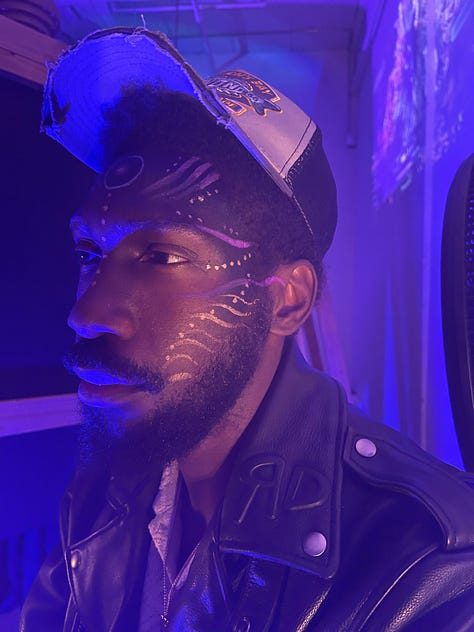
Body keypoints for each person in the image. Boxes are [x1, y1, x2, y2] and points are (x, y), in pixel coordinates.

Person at [21, 27, 474, 631]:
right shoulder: (106, 483)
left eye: (161, 256)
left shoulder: (428, 568)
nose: (86, 313)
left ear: (287, 302)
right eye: (89, 253)